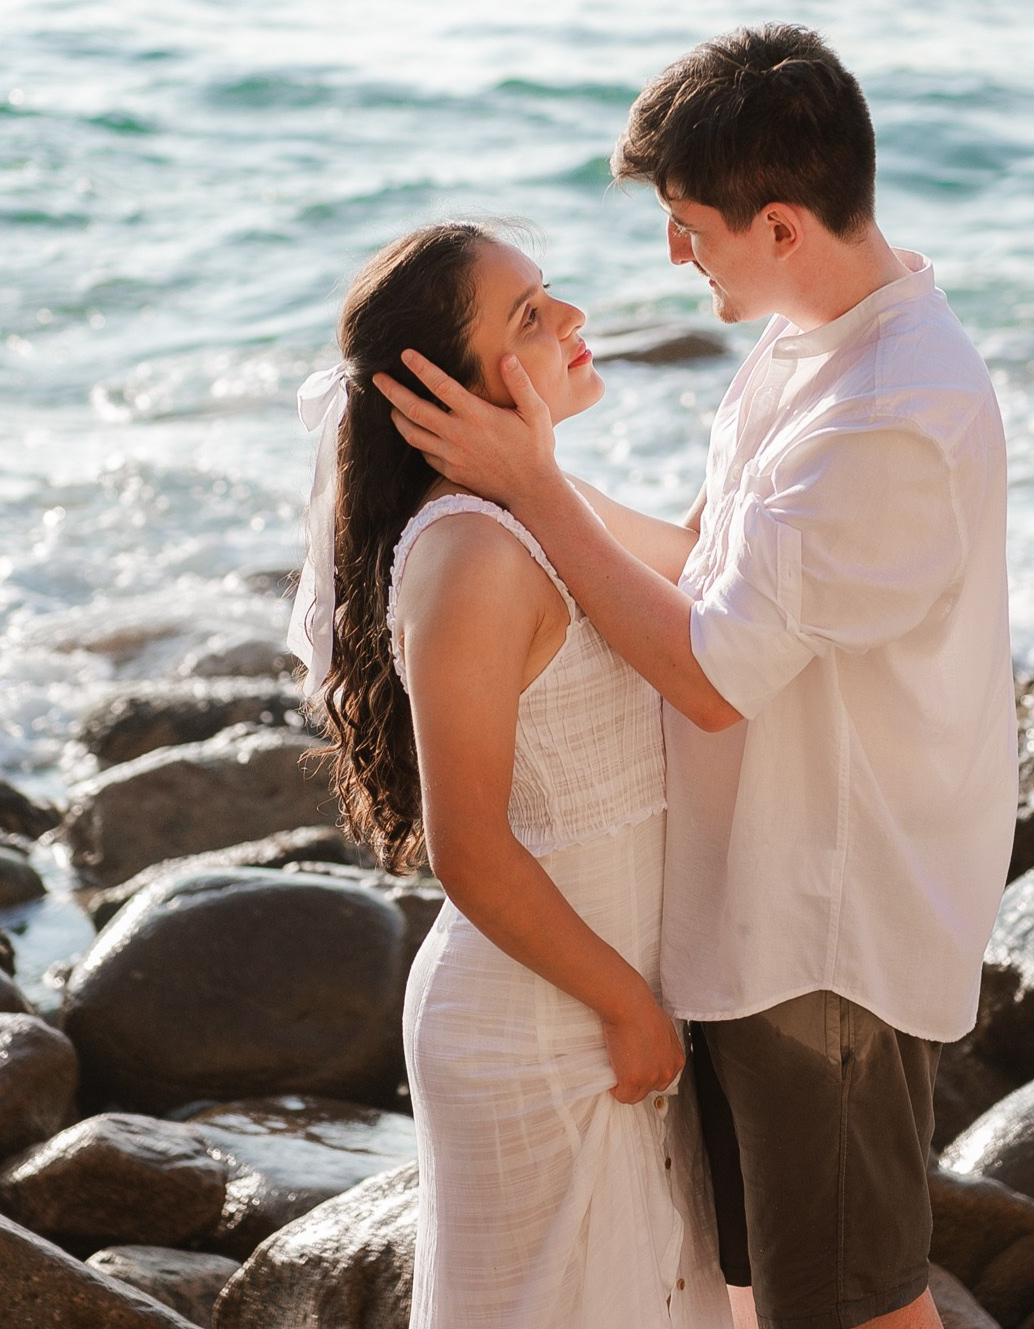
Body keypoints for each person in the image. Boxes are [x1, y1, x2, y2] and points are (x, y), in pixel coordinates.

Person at [374, 25, 1016, 1329]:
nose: (672, 256)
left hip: (828, 929)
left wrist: (536, 485)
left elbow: (712, 672)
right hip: (742, 913)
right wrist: (520, 466)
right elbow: (701, 566)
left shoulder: (897, 412)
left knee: (852, 1302)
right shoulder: (802, 348)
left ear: (779, 223)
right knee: (740, 1287)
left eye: (689, 223)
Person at [287, 221, 727, 1328]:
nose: (574, 319)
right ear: (443, 385)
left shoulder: (534, 508)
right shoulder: (472, 553)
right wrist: (629, 1006)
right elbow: (468, 845)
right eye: (529, 314)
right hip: (539, 1016)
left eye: (553, 295)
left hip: (592, 1000)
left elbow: (706, 574)